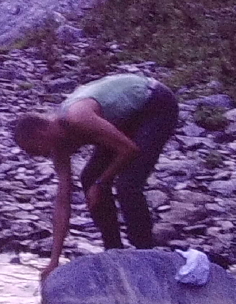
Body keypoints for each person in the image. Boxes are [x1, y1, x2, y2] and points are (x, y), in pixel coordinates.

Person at [13, 73, 179, 281]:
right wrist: (54, 260)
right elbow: (63, 200)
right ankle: (113, 251)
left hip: (155, 104)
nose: (40, 156)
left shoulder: (77, 119)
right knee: (89, 179)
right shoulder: (58, 146)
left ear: (42, 131)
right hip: (124, 119)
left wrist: (102, 183)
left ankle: (146, 254)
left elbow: (129, 150)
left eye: (36, 149)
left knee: (127, 184)